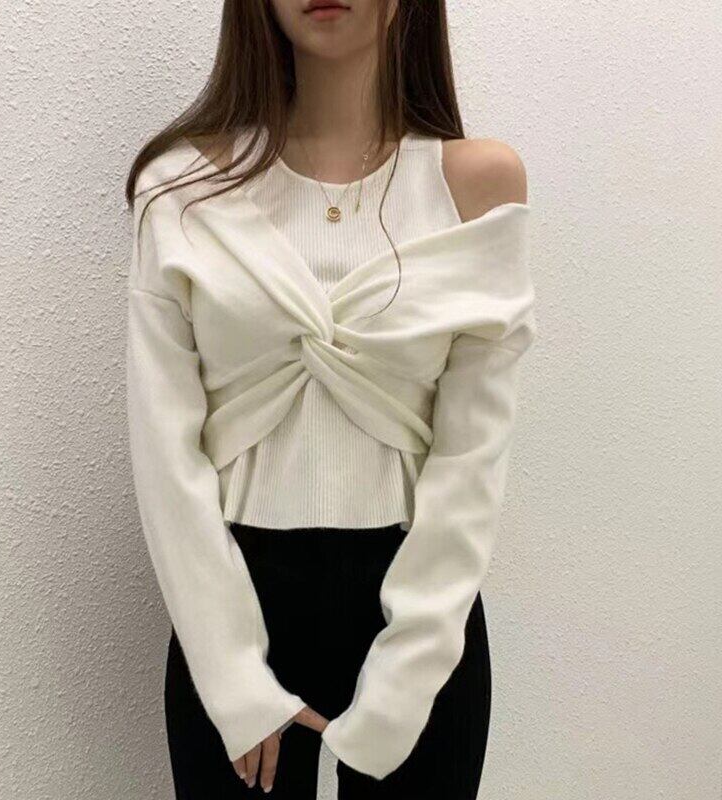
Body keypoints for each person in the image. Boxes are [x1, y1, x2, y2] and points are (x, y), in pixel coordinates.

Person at [124, 1, 536, 797]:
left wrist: (412, 670)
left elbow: (474, 452)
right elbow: (163, 449)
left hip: (422, 614)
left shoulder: (478, 186)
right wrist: (233, 678)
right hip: (230, 612)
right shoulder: (178, 191)